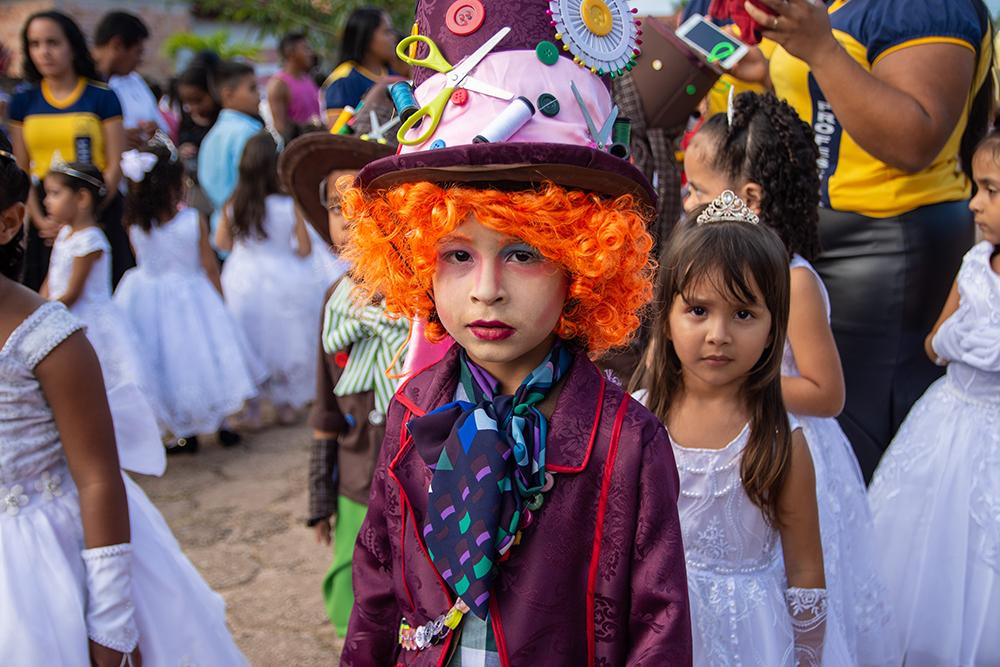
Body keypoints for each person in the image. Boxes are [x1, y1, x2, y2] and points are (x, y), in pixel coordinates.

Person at [337, 1, 692, 663]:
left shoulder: (628, 441)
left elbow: (660, 629)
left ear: (583, 263)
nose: (487, 288)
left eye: (524, 253)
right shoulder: (411, 410)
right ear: (418, 259)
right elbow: (378, 594)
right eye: (458, 254)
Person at [0, 131, 248, 667]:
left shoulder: (45, 340)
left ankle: (203, 426)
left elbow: (98, 476)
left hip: (45, 559)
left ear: (8, 222)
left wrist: (111, 621)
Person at [730, 0, 994, 479]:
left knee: (862, 442)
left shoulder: (925, 7)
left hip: (889, 247)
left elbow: (913, 140)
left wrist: (822, 50)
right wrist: (768, 68)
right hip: (819, 234)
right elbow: (834, 102)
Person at [682, 91, 901, 665]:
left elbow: (827, 394)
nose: (688, 202)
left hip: (781, 447)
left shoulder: (793, 281)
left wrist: (737, 383)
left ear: (747, 199)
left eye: (701, 192)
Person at [633, 193, 853, 665]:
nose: (718, 334)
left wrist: (808, 657)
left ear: (775, 328)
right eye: (698, 311)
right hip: (656, 628)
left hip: (751, 637)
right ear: (666, 320)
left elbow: (806, 570)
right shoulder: (638, 423)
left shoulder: (781, 443)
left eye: (743, 314)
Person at [867, 130, 1000, 665]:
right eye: (976, 187)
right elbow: (934, 342)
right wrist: (953, 339)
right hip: (947, 425)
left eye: (990, 189)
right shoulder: (975, 263)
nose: (974, 203)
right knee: (928, 552)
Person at [280, 82, 404, 638]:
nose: (350, 220)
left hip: (422, 486)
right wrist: (319, 494)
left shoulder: (433, 300)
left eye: (366, 205)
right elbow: (326, 406)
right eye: (337, 207)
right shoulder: (335, 303)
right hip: (356, 480)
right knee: (351, 600)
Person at [114, 141, 261, 454]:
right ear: (173, 185)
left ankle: (185, 431)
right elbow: (208, 266)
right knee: (208, 359)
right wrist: (220, 301)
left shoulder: (135, 225)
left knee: (169, 365)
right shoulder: (192, 219)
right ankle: (223, 425)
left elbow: (143, 259)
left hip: (149, 301)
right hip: (194, 297)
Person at [38, 158, 164, 477]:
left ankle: (120, 449)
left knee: (107, 384)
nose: (46, 201)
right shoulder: (65, 235)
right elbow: (51, 281)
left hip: (90, 324)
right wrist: (36, 304)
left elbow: (72, 293)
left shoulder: (90, 240)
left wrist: (42, 309)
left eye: (54, 194)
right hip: (63, 317)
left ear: (81, 198)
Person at [215, 132, 330, 425]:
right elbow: (304, 249)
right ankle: (286, 402)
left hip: (242, 280)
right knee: (286, 341)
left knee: (250, 341)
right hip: (284, 278)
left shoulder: (233, 205)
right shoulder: (286, 203)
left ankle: (254, 404)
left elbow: (222, 243)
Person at [8, 11, 128, 290]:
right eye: (35, 44)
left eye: (53, 42)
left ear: (72, 46)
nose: (44, 52)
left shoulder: (102, 96)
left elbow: (114, 162)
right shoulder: (24, 100)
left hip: (97, 205)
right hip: (47, 209)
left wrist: (88, 212)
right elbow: (22, 166)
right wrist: (39, 218)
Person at [197, 58, 263, 237]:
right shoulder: (248, 134)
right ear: (228, 94)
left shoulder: (211, 136)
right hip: (250, 228)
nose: (259, 94)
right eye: (252, 88)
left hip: (220, 229)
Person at [92, 11, 169, 148]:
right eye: (137, 52)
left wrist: (154, 131)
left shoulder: (135, 81)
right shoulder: (76, 79)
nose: (139, 61)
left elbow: (163, 129)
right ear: (117, 44)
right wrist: (114, 138)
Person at [321, 7, 396, 128]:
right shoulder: (344, 79)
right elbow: (336, 135)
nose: (393, 37)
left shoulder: (391, 74)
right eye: (387, 32)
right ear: (366, 37)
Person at [267, 31, 322, 141]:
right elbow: (280, 128)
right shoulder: (279, 84)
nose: (310, 53)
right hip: (298, 149)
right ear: (290, 53)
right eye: (306, 49)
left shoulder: (308, 79)